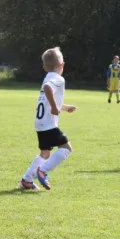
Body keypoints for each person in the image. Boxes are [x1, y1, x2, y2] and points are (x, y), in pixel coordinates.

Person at [19, 47, 77, 190]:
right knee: (66, 148)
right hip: (49, 124)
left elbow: (48, 98)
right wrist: (54, 108)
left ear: (45, 67)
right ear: (62, 65)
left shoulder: (48, 77)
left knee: (45, 154)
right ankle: (43, 171)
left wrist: (64, 107)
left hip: (40, 123)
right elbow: (47, 88)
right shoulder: (58, 79)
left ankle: (26, 180)